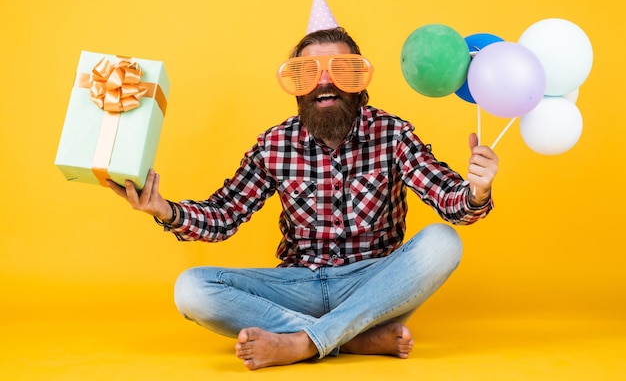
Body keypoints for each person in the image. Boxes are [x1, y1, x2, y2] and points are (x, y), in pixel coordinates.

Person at [108, 27, 498, 370]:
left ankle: (303, 343)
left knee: (443, 242)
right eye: (307, 73)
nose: (324, 82)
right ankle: (352, 339)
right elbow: (223, 215)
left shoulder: (393, 134)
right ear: (295, 86)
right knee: (191, 288)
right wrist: (164, 209)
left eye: (340, 71)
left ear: (360, 82)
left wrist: (477, 190)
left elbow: (451, 202)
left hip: (373, 285)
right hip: (297, 284)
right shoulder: (273, 144)